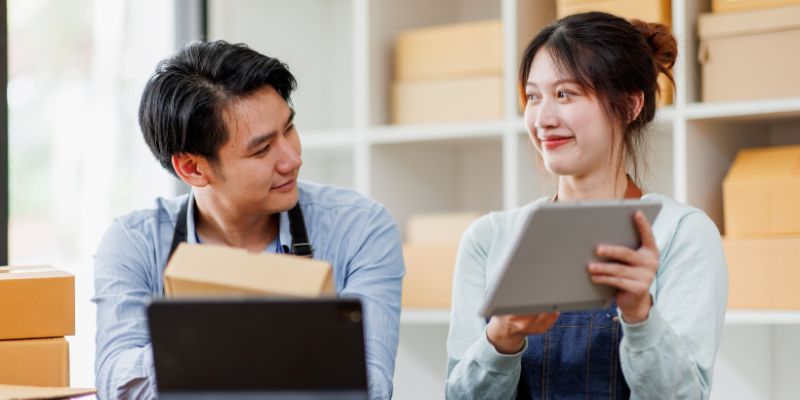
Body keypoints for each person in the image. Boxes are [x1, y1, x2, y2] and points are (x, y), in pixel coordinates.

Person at [93, 41, 404, 400]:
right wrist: (222, 334)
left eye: (288, 129)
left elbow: (372, 388)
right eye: (261, 149)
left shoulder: (360, 229)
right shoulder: (135, 242)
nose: (292, 159)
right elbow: (117, 384)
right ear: (192, 168)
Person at [445, 12, 728, 399]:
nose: (542, 118)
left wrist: (640, 315)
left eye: (565, 94)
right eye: (532, 96)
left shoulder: (681, 233)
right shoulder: (490, 238)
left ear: (630, 105)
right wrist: (501, 337)